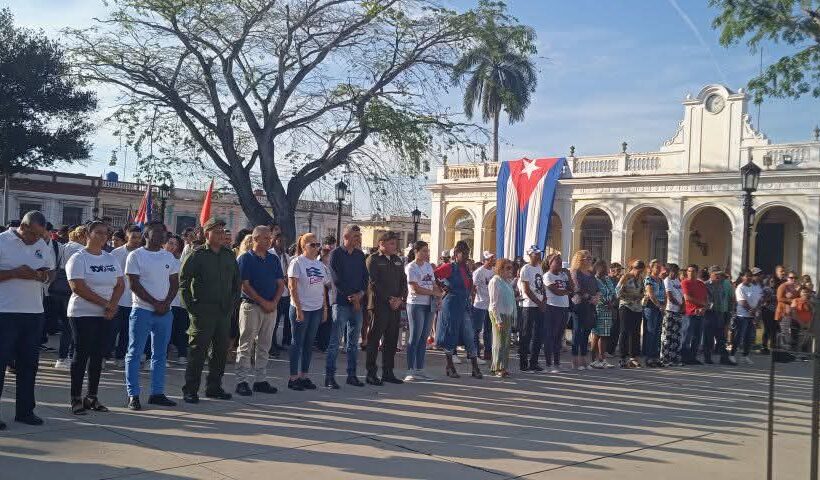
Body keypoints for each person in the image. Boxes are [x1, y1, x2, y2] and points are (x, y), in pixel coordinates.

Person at [0, 211, 55, 429]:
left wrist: (43, 276)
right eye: (33, 234)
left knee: (28, 365)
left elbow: (51, 272)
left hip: (33, 312)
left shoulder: (42, 244)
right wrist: (14, 273)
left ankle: (25, 411)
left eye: (41, 235)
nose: (37, 239)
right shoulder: (3, 241)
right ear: (23, 227)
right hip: (5, 312)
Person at [65, 221, 124, 415]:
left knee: (98, 356)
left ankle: (92, 397)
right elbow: (78, 287)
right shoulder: (78, 258)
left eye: (105, 234)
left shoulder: (110, 258)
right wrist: (105, 304)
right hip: (83, 313)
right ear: (87, 235)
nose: (102, 237)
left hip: (106, 314)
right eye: (97, 233)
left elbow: (119, 285)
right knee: (81, 355)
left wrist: (113, 305)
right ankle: (75, 398)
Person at [180, 217, 241, 403]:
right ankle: (190, 389)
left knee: (220, 352)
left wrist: (232, 303)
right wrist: (191, 308)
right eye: (217, 231)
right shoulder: (197, 255)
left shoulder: (228, 255)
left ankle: (214, 387)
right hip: (203, 311)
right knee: (197, 352)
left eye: (223, 231)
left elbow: (236, 282)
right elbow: (183, 282)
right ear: (207, 234)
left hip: (223, 312)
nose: (222, 235)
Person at [124, 221, 179, 410]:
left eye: (163, 233)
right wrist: (155, 303)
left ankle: (157, 393)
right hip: (142, 311)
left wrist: (166, 303)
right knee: (135, 353)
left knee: (160, 355)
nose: (162, 236)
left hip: (165, 313)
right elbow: (134, 284)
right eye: (156, 233)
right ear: (146, 236)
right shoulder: (136, 256)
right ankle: (133, 394)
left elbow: (174, 283)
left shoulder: (169, 257)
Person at [235, 226, 285, 396]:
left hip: (271, 308)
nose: (269, 240)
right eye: (265, 238)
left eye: (269, 238)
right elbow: (245, 285)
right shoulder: (245, 259)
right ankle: (242, 381)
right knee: (246, 344)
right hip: (251, 307)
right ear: (255, 239)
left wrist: (274, 302)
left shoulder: (273, 259)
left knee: (264, 345)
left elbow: (280, 283)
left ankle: (260, 380)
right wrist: (263, 302)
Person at [326, 225, 369, 388]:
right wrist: (353, 297)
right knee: (335, 342)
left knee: (353, 343)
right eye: (356, 236)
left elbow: (365, 278)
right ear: (346, 236)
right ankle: (330, 376)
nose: (358, 239)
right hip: (342, 303)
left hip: (357, 304)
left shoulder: (359, 255)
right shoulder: (336, 254)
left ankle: (352, 375)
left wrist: (360, 295)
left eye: (359, 236)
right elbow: (336, 280)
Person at [287, 233, 330, 391]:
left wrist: (325, 308)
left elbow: (323, 288)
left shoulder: (320, 265)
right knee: (297, 342)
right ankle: (293, 377)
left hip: (316, 308)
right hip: (302, 308)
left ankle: (304, 375)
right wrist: (298, 308)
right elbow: (292, 287)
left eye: (317, 244)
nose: (316, 247)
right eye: (312, 245)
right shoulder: (297, 263)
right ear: (303, 246)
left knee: (308, 343)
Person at [365, 231, 409, 385]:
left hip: (395, 306)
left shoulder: (397, 260)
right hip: (379, 305)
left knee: (391, 340)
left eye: (395, 243)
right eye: (391, 243)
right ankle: (371, 373)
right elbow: (373, 283)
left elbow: (404, 281)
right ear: (381, 244)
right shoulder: (374, 259)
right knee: (374, 340)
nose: (394, 246)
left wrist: (400, 298)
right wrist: (389, 299)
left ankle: (388, 372)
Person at [434, 244, 482, 379]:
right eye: (464, 253)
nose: (467, 256)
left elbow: (469, 285)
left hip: (464, 304)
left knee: (469, 334)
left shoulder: (466, 268)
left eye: (468, 253)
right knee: (451, 333)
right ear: (456, 254)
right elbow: (434, 275)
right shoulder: (449, 267)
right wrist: (443, 286)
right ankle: (450, 365)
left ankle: (474, 366)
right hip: (452, 303)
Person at [404, 240, 441, 382]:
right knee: (415, 336)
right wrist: (434, 293)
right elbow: (415, 288)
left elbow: (433, 284)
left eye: (427, 251)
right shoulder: (411, 267)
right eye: (424, 251)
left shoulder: (428, 267)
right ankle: (410, 369)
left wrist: (439, 296)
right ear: (416, 251)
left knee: (424, 338)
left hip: (429, 304)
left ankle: (420, 369)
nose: (427, 253)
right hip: (415, 304)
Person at [110, 226, 143, 367]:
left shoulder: (143, 254)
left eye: (139, 237)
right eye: (133, 236)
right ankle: (104, 356)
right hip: (117, 298)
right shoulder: (115, 253)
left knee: (127, 331)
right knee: (111, 330)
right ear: (126, 237)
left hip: (134, 300)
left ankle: (120, 357)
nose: (136, 240)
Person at [518, 246, 546, 372]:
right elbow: (526, 289)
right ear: (530, 255)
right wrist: (538, 302)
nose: (538, 256)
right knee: (526, 334)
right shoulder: (526, 269)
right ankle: (523, 363)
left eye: (539, 254)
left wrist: (544, 298)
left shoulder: (539, 267)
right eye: (536, 254)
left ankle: (534, 362)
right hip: (529, 306)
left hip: (539, 304)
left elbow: (541, 285)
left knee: (538, 335)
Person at [569, 250, 598, 371]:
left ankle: (584, 359)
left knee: (586, 332)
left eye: (591, 258)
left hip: (590, 306)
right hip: (579, 304)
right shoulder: (575, 272)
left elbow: (596, 287)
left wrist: (597, 297)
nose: (590, 260)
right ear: (580, 260)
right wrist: (589, 297)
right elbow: (577, 288)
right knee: (578, 332)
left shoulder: (591, 274)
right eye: (588, 258)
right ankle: (575, 360)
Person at [488, 258, 516, 377]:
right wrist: (498, 320)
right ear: (500, 269)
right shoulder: (495, 281)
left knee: (505, 343)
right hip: (498, 314)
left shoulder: (507, 282)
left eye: (511, 268)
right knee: (499, 342)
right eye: (507, 268)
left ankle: (503, 367)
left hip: (507, 314)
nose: (510, 270)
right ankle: (497, 367)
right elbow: (493, 304)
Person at [164, 234, 188, 364]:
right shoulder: (159, 260)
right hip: (164, 301)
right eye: (169, 243)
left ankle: (182, 354)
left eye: (175, 244)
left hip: (178, 301)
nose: (172, 246)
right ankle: (164, 355)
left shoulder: (180, 263)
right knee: (167, 330)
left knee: (180, 328)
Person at [617, 260, 645, 368]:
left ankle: (633, 357)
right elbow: (617, 292)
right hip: (626, 306)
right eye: (637, 269)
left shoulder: (640, 279)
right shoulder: (626, 277)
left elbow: (642, 292)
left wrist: (640, 296)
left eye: (641, 270)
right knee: (624, 332)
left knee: (635, 333)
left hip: (637, 308)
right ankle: (622, 357)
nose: (639, 272)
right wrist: (630, 296)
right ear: (632, 267)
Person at [268, 231, 292, 356]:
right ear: (274, 240)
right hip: (274, 291)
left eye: (284, 241)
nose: (282, 243)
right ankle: (270, 346)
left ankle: (276, 343)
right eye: (280, 241)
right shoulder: (270, 254)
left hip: (285, 293)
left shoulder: (286, 256)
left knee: (279, 321)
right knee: (273, 321)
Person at [732, 270, 762, 364]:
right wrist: (751, 311)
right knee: (739, 336)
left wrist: (756, 311)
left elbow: (759, 300)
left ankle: (745, 355)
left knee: (749, 337)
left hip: (752, 316)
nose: (749, 278)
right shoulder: (740, 288)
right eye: (746, 276)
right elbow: (742, 302)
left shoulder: (756, 287)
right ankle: (732, 354)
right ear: (742, 277)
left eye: (750, 276)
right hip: (742, 316)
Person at [680, 264, 708, 365]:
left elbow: (705, 298)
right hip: (689, 313)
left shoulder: (701, 284)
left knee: (697, 337)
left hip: (700, 313)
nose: (691, 273)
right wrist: (702, 305)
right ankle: (684, 357)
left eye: (693, 271)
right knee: (687, 336)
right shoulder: (685, 282)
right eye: (689, 271)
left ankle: (693, 357)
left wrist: (703, 308)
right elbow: (687, 297)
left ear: (697, 272)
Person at [703, 266, 732, 365]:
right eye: (716, 274)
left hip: (719, 313)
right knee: (709, 337)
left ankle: (724, 358)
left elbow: (723, 297)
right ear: (711, 274)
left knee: (721, 337)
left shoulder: (721, 285)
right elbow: (705, 299)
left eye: (719, 274)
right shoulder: (705, 285)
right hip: (709, 313)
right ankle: (707, 357)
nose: (718, 276)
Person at [591, 259, 616, 369]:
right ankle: (594, 359)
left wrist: (613, 302)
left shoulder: (607, 279)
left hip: (608, 310)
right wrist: (606, 303)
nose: (606, 269)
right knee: (597, 334)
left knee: (605, 335)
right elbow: (596, 294)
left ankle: (602, 359)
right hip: (599, 309)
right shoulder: (594, 280)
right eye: (603, 267)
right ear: (597, 268)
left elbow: (613, 292)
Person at [471, 252, 496, 363]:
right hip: (480, 304)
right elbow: (473, 287)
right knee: (476, 330)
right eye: (490, 259)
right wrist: (472, 301)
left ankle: (488, 352)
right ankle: (475, 353)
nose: (492, 260)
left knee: (488, 330)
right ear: (485, 260)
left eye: (492, 258)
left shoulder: (493, 271)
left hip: (490, 305)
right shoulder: (478, 272)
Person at [642, 259, 666, 367]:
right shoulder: (649, 279)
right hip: (651, 307)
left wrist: (664, 306)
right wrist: (659, 306)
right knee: (651, 332)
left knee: (658, 332)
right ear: (651, 268)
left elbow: (664, 294)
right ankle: (649, 357)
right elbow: (650, 294)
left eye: (660, 267)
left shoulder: (660, 280)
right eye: (657, 267)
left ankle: (656, 357)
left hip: (660, 307)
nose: (659, 269)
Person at [661, 263, 684, 366]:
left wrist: (683, 305)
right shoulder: (667, 281)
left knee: (676, 336)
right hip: (670, 310)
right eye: (674, 271)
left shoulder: (677, 281)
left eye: (676, 271)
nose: (675, 273)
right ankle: (665, 358)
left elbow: (682, 295)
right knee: (668, 335)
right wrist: (679, 305)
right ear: (669, 271)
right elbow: (669, 296)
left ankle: (674, 358)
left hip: (678, 311)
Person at [606, 262, 623, 356]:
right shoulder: (608, 279)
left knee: (617, 329)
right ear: (612, 270)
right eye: (618, 270)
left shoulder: (618, 280)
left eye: (620, 270)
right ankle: (607, 350)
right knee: (611, 328)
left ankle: (612, 349)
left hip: (618, 306)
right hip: (611, 306)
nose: (620, 272)